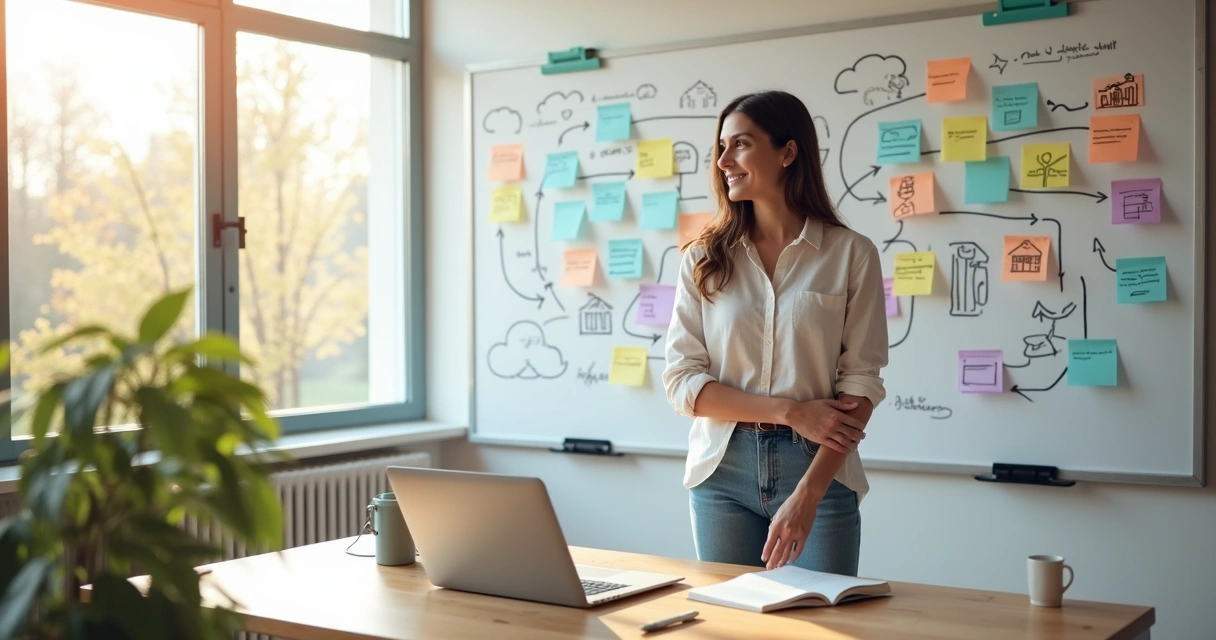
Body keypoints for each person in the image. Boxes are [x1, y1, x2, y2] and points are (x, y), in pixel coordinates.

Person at [662, 90, 888, 576]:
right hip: (722, 470)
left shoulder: (852, 255)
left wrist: (810, 492)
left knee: (822, 623)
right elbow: (683, 384)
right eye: (721, 147)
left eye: (740, 144)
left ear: (787, 152)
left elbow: (862, 383)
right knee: (732, 626)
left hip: (818, 468)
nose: (723, 161)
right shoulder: (702, 260)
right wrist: (790, 411)